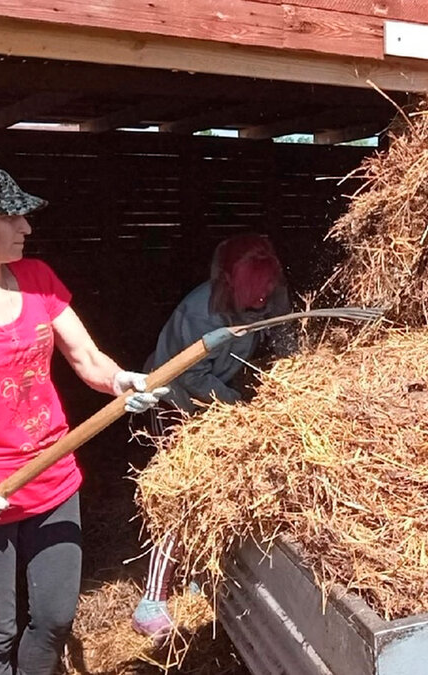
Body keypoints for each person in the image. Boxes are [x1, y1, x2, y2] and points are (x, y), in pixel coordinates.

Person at [0, 164, 168, 675]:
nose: (26, 228)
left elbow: (85, 358)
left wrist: (121, 380)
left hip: (54, 475)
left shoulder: (37, 279)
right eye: (11, 216)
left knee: (55, 619)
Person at [132, 233, 296, 638]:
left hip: (220, 396)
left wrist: (291, 381)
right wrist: (239, 406)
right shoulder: (200, 313)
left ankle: (198, 574)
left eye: (269, 285)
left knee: (219, 490)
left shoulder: (270, 293)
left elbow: (285, 340)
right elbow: (191, 376)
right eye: (254, 288)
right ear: (230, 282)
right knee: (179, 493)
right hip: (173, 398)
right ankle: (152, 601)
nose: (264, 295)